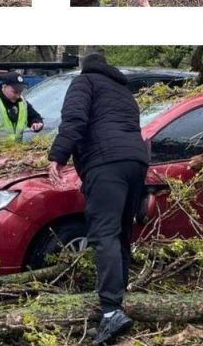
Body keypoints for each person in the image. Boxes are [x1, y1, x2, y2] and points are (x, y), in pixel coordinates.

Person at [47, 53, 148, 346]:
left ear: (85, 66)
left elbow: (75, 120)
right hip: (136, 163)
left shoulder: (85, 82)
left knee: (103, 233)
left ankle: (110, 312)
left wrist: (58, 156)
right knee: (121, 233)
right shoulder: (124, 91)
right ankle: (119, 294)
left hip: (106, 163)